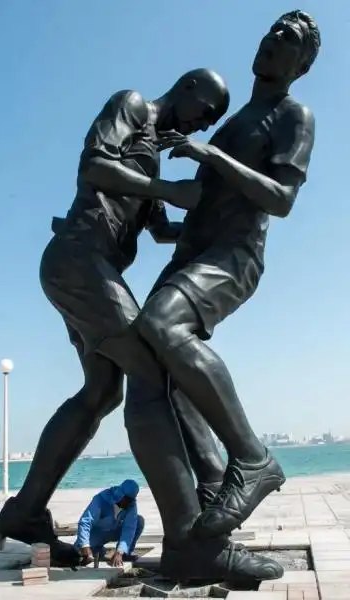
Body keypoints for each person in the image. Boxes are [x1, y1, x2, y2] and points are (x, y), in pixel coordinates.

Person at [0, 68, 231, 567]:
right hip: (79, 260)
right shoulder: (133, 105)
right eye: (206, 112)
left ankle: (25, 512)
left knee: (102, 392)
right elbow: (96, 167)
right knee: (152, 366)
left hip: (89, 271)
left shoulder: (157, 155)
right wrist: (168, 189)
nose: (204, 125)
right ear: (189, 88)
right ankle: (189, 530)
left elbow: (163, 230)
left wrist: (220, 216)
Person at [123, 10, 320, 581]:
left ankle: (253, 458)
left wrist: (210, 155)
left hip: (232, 259)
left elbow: (281, 199)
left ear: (300, 66)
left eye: (292, 39)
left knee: (162, 326)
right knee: (152, 369)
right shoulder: (238, 120)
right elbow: (190, 214)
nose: (275, 38)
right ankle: (209, 508)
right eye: (275, 28)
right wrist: (147, 207)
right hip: (192, 254)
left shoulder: (293, 115)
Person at [75, 479, 144, 567]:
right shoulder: (101, 499)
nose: (127, 503)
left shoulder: (131, 505)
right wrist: (85, 546)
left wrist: (120, 551)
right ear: (120, 494)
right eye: (126, 499)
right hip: (96, 533)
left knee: (139, 521)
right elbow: (85, 522)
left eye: (130, 500)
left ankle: (124, 555)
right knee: (77, 555)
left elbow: (129, 528)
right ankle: (99, 550)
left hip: (114, 531)